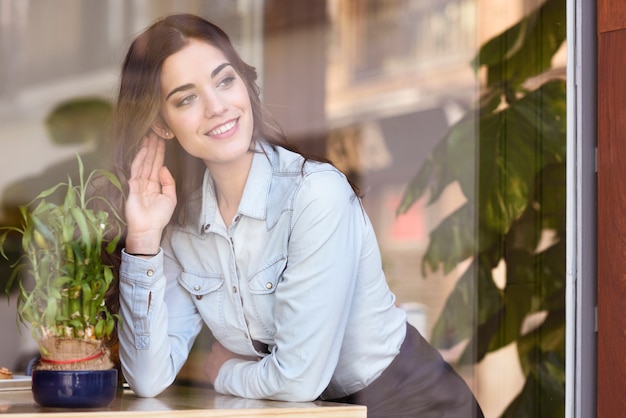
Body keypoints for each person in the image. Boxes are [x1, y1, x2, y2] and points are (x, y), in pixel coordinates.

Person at [109, 13, 484, 417]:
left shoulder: (315, 194)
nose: (217, 107)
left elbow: (299, 380)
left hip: (412, 404)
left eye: (224, 80)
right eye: (187, 98)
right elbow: (148, 378)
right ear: (163, 125)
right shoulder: (183, 227)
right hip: (316, 411)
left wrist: (224, 372)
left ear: (246, 85)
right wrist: (144, 241)